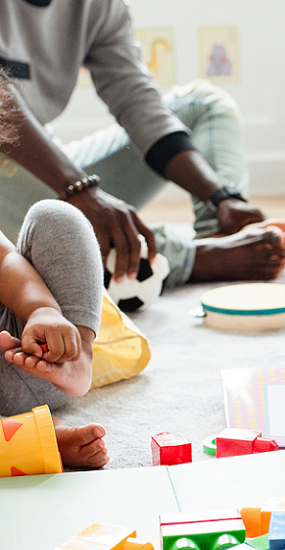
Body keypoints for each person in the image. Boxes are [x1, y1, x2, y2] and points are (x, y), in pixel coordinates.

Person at [0, 0, 285, 289]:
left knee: (205, 104)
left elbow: (136, 102)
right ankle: (188, 259)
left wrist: (220, 197)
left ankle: (217, 230)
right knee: (58, 220)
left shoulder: (101, 6)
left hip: (40, 160)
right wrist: (79, 188)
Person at [0, 78, 109, 469]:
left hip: (30, 356)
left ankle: (77, 355)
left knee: (55, 216)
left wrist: (43, 311)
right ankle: (35, 438)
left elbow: (4, 262)